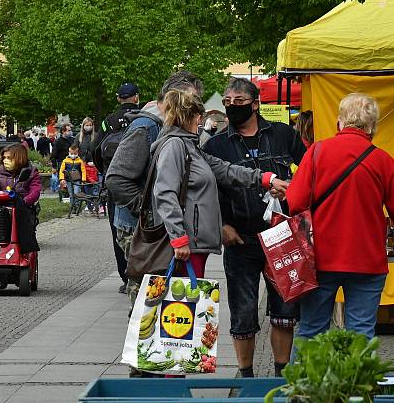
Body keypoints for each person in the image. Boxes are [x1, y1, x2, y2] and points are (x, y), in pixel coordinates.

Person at [286, 94, 394, 340]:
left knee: (311, 331)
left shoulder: (317, 152)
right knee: (361, 332)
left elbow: (295, 202)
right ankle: (357, 379)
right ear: (372, 127)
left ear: (340, 122)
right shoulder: (384, 161)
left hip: (321, 258)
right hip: (366, 260)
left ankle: (303, 380)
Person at [202, 77, 305, 378]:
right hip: (240, 239)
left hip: (283, 236)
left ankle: (282, 376)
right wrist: (221, 224)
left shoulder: (284, 135)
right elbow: (208, 190)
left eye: (238, 102)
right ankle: (245, 377)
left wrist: (291, 191)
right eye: (227, 102)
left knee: (285, 313)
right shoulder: (217, 144)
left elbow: (309, 171)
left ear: (255, 104)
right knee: (243, 314)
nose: (232, 107)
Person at [148, 89, 288, 279]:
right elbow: (165, 193)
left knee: (190, 304)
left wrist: (266, 178)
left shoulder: (189, 146)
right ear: (191, 116)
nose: (201, 121)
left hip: (195, 244)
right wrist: (178, 238)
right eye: (199, 116)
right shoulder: (175, 146)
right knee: (183, 305)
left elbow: (225, 169)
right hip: (187, 244)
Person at [106, 70, 204, 302]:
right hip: (140, 230)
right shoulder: (147, 127)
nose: (195, 110)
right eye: (190, 102)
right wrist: (147, 209)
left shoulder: (175, 129)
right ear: (171, 99)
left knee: (164, 304)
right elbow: (116, 178)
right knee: (146, 302)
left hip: (160, 229)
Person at [94, 82, 140, 293]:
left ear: (118, 98)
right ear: (136, 97)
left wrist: (106, 172)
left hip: (115, 184)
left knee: (118, 229)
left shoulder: (108, 121)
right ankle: (144, 272)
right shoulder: (144, 119)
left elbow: (96, 149)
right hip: (140, 182)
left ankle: (126, 276)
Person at [0, 143, 42, 254]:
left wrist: (24, 201)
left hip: (21, 205)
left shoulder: (31, 172)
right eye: (4, 157)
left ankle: (25, 248)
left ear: (19, 157)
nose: (5, 160)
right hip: (2, 204)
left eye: (9, 157)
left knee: (21, 216)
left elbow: (35, 191)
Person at [50, 124, 74, 196]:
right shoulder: (58, 141)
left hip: (72, 162)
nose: (70, 132)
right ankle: (63, 195)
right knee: (63, 181)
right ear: (63, 131)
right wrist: (54, 166)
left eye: (70, 130)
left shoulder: (72, 140)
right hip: (62, 163)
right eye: (68, 130)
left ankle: (70, 195)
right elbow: (54, 155)